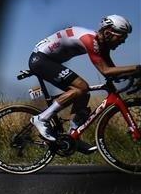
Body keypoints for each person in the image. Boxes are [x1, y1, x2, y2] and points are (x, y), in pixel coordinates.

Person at [28, 15, 138, 143]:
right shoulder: (90, 39)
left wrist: (135, 75)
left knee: (83, 95)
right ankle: (41, 118)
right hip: (40, 60)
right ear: (108, 33)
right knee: (81, 87)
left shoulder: (102, 46)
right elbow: (106, 70)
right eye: (121, 37)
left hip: (49, 61)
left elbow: (112, 74)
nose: (123, 41)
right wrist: (137, 68)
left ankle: (73, 136)